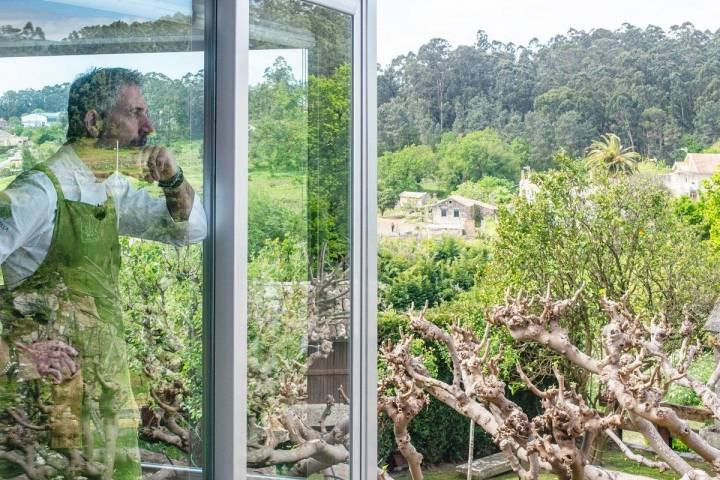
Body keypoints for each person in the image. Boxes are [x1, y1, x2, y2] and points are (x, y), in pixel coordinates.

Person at [0, 68, 206, 479]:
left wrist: (172, 178)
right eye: (136, 113)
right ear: (94, 121)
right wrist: (22, 352)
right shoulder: (37, 192)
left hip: (104, 385)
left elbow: (189, 229)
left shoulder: (107, 188)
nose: (149, 127)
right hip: (45, 392)